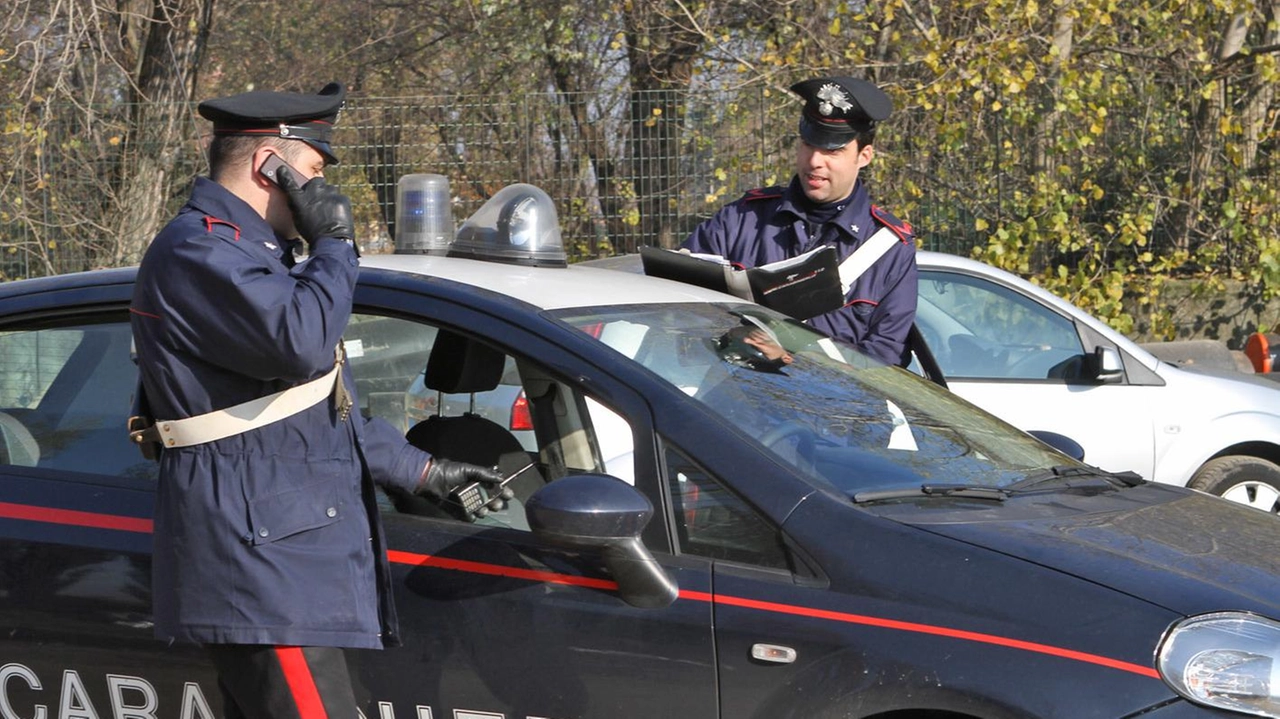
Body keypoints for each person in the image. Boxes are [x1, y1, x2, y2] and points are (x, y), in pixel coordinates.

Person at [129, 82, 504, 718]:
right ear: (267, 165)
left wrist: (422, 470)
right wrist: (335, 244)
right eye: (312, 171)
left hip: (285, 560)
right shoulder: (199, 251)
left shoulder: (254, 254)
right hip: (265, 569)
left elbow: (316, 405)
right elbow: (299, 344)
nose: (323, 191)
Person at [683, 76, 918, 366]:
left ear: (864, 156)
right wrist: (739, 339)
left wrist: (795, 355)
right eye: (809, 144)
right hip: (733, 400)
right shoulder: (740, 220)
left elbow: (885, 359)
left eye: (833, 150)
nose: (815, 160)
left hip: (832, 409)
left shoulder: (890, 248)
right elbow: (679, 312)